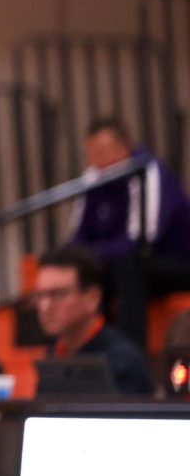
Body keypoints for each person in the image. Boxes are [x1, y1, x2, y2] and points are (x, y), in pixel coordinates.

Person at [68, 116, 190, 347]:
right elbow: (77, 238)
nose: (98, 161)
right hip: (124, 265)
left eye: (103, 152)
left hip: (176, 263)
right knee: (84, 274)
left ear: (124, 148)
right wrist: (88, 257)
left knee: (128, 265)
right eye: (92, 153)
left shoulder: (148, 172)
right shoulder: (92, 179)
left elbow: (143, 238)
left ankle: (130, 361)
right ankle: (88, 355)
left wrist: (94, 253)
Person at [33, 246, 154, 395]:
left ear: (93, 298)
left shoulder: (122, 361)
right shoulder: (53, 353)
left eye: (58, 294)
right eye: (39, 296)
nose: (45, 307)